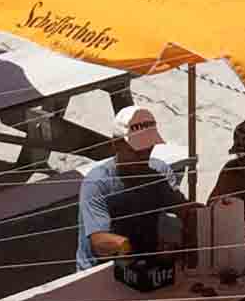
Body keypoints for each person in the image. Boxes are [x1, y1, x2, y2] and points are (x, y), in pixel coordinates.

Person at [76, 105, 184, 270]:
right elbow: (98, 241)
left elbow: (182, 208)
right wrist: (126, 246)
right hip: (100, 269)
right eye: (137, 151)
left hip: (146, 263)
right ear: (117, 145)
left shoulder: (159, 172)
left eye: (148, 149)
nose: (144, 156)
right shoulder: (97, 182)